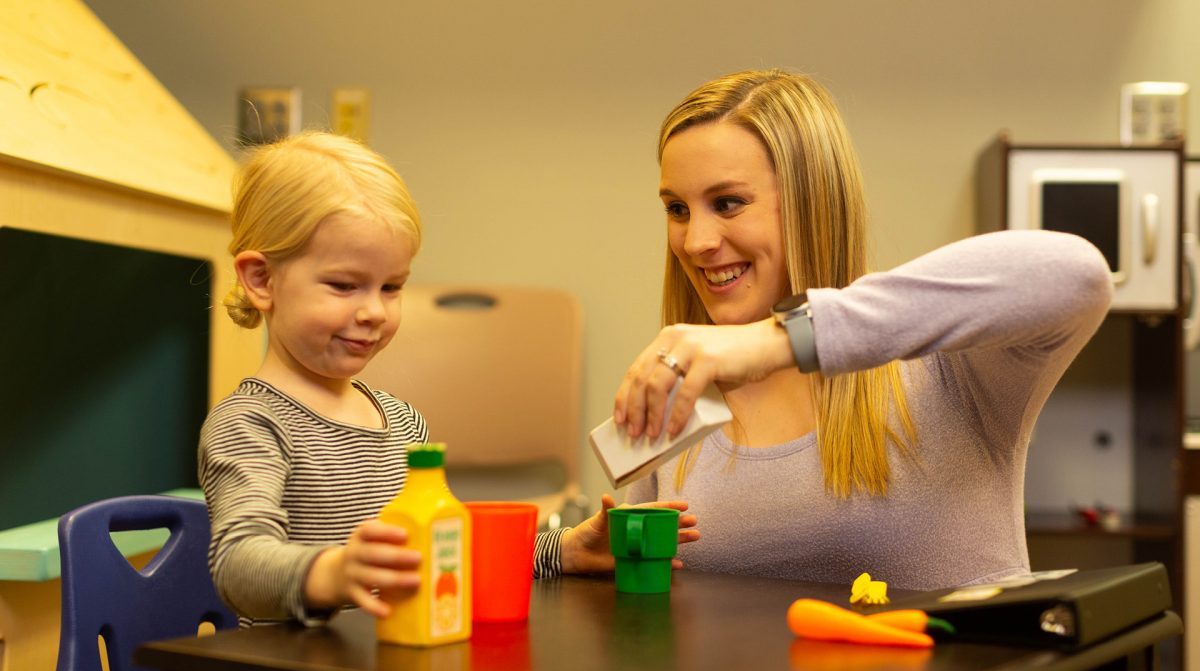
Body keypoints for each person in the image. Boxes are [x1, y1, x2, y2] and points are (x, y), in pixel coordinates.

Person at [612, 69, 1112, 591]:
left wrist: (780, 339)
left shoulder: (944, 364)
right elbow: (646, 604)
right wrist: (561, 552)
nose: (695, 242)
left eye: (728, 203)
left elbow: (1076, 273)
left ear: (812, 202)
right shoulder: (678, 393)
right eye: (677, 209)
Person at [200, 131, 696, 626]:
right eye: (345, 285)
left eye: (391, 287)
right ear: (261, 280)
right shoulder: (250, 424)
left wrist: (564, 550)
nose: (374, 310)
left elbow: (451, 546)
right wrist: (330, 573)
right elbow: (238, 563)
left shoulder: (399, 419)